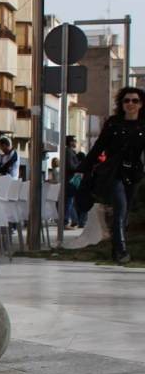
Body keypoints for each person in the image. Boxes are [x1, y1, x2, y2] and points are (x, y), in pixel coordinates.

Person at [75, 86, 145, 264]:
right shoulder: (113, 123)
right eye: (126, 100)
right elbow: (99, 146)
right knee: (120, 209)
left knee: (126, 212)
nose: (130, 104)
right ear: (121, 103)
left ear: (141, 104)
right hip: (114, 172)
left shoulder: (143, 124)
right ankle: (122, 251)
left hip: (134, 173)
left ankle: (115, 249)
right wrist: (83, 168)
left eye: (135, 101)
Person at [63, 135, 83, 229]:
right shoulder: (69, 152)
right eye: (74, 141)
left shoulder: (70, 152)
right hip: (70, 180)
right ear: (70, 142)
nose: (75, 143)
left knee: (70, 201)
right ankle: (66, 221)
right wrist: (79, 167)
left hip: (70, 179)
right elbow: (71, 166)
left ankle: (74, 221)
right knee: (69, 201)